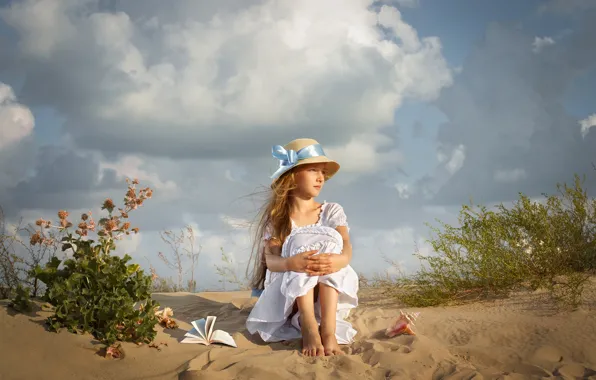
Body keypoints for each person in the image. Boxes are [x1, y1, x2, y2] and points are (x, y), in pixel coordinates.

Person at [245, 138, 359, 357]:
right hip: (292, 296)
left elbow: (345, 245)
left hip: (325, 293)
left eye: (323, 172)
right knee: (299, 247)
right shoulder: (280, 217)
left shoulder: (331, 211)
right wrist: (291, 262)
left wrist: (339, 260)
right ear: (292, 176)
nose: (320, 178)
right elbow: (271, 260)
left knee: (330, 244)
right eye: (313, 170)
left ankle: (328, 330)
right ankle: (308, 326)